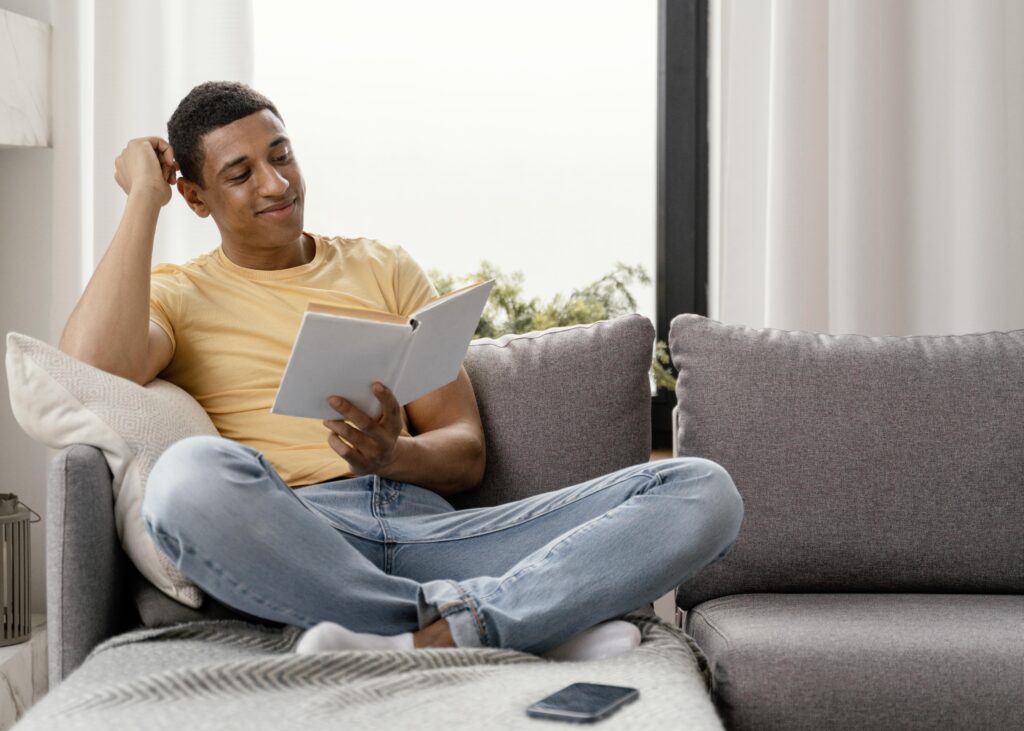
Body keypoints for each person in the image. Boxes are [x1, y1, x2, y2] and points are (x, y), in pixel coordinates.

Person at [58, 81, 743, 661]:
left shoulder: (383, 267)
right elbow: (91, 363)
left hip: (436, 533)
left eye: (282, 156)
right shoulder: (178, 293)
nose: (275, 183)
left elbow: (466, 452)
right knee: (184, 480)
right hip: (304, 537)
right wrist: (142, 198)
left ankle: (444, 627)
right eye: (240, 174)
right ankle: (511, 621)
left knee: (702, 489)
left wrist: (395, 452)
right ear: (198, 198)